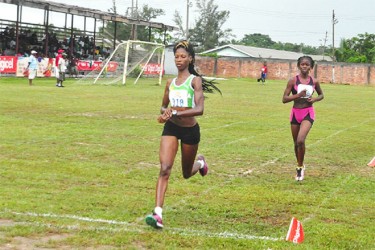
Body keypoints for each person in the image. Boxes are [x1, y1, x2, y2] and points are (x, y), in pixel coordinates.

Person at [145, 40, 221, 229]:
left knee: (187, 173)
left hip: (190, 131)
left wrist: (176, 112)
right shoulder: (170, 82)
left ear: (190, 58)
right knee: (164, 168)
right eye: (176, 56)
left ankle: (200, 163)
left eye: (183, 56)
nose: (179, 60)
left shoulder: (194, 81)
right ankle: (158, 214)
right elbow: (163, 105)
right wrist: (165, 114)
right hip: (171, 128)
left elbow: (200, 109)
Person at [282, 56, 324, 181]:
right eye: (302, 64)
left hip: (307, 113)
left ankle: (299, 169)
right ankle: (300, 165)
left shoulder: (314, 82)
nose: (304, 66)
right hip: (295, 113)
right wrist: (298, 95)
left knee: (300, 140)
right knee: (296, 143)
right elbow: (284, 99)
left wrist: (315, 99)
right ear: (298, 66)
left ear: (311, 67)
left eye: (307, 64)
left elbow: (321, 95)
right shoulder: (292, 81)